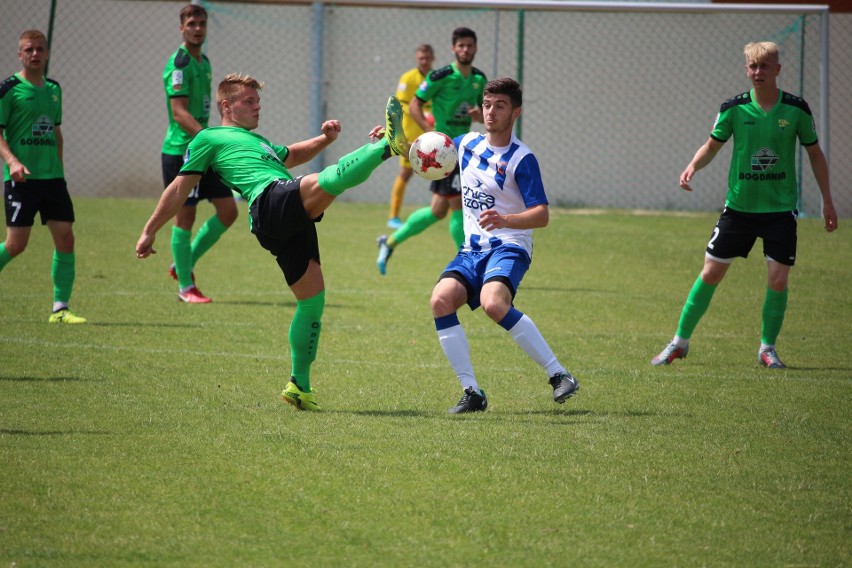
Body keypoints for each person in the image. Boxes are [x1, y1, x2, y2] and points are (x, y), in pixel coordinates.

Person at [137, 73, 409, 411]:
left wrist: (325, 139)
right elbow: (179, 188)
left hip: (279, 213)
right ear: (226, 105)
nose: (257, 107)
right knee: (328, 182)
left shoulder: (259, 142)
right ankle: (385, 147)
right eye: (248, 102)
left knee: (312, 302)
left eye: (258, 101)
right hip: (267, 201)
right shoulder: (209, 137)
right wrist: (150, 229)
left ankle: (299, 386)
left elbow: (291, 154)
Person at [651, 41, 837, 370]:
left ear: (777, 69)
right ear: (746, 70)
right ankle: (679, 342)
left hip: (780, 210)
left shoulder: (796, 110)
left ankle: (767, 348)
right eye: (752, 66)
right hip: (738, 210)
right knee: (710, 273)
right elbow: (712, 145)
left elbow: (815, 154)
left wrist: (827, 201)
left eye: (765, 66)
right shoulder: (734, 108)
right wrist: (693, 165)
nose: (758, 72)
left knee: (778, 280)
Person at [430, 77, 578, 413]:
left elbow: (541, 215)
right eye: (487, 105)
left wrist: (506, 220)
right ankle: (473, 393)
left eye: (500, 105)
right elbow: (430, 151)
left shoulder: (522, 159)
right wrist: (391, 145)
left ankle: (559, 375)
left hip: (510, 245)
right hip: (472, 249)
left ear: (516, 112)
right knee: (440, 300)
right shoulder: (466, 144)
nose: (491, 111)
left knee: (493, 303)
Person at [377, 27, 486, 275]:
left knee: (438, 210)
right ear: (453, 49)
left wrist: (480, 115)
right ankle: (471, 265)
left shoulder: (479, 79)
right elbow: (415, 103)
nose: (466, 50)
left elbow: (483, 111)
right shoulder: (441, 76)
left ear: (475, 48)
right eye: (461, 45)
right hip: (445, 152)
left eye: (470, 45)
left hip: (464, 149)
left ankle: (390, 242)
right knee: (458, 206)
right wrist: (429, 131)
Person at [0, 30, 86, 324]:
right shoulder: (9, 89)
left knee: (66, 237)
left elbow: (56, 131)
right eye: (29, 50)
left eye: (39, 49)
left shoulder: (54, 89)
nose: (35, 54)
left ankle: (60, 309)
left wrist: (59, 170)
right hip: (22, 180)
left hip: (52, 179)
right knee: (16, 245)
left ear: (47, 53)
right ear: (19, 54)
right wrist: (12, 161)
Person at [161, 4, 238, 303]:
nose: (197, 28)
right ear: (181, 28)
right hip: (182, 152)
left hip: (202, 150)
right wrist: (211, 139)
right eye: (191, 23)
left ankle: (183, 264)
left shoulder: (202, 61)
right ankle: (185, 288)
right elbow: (179, 113)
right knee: (186, 217)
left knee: (228, 211)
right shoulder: (179, 64)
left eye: (201, 23)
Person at [385, 43, 435, 230]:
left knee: (438, 168)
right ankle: (393, 216)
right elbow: (403, 104)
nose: (424, 60)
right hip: (411, 128)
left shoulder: (437, 78)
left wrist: (432, 117)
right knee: (405, 173)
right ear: (417, 59)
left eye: (427, 57)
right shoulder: (407, 78)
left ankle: (435, 211)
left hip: (432, 127)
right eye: (421, 57)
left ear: (433, 59)